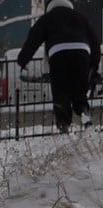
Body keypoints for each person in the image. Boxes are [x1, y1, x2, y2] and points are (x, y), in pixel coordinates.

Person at [18, 0, 100, 133]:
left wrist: (23, 59)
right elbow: (95, 41)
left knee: (61, 90)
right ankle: (83, 111)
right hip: (82, 52)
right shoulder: (80, 17)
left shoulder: (48, 18)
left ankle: (63, 124)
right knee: (80, 89)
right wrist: (94, 64)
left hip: (58, 53)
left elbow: (34, 37)